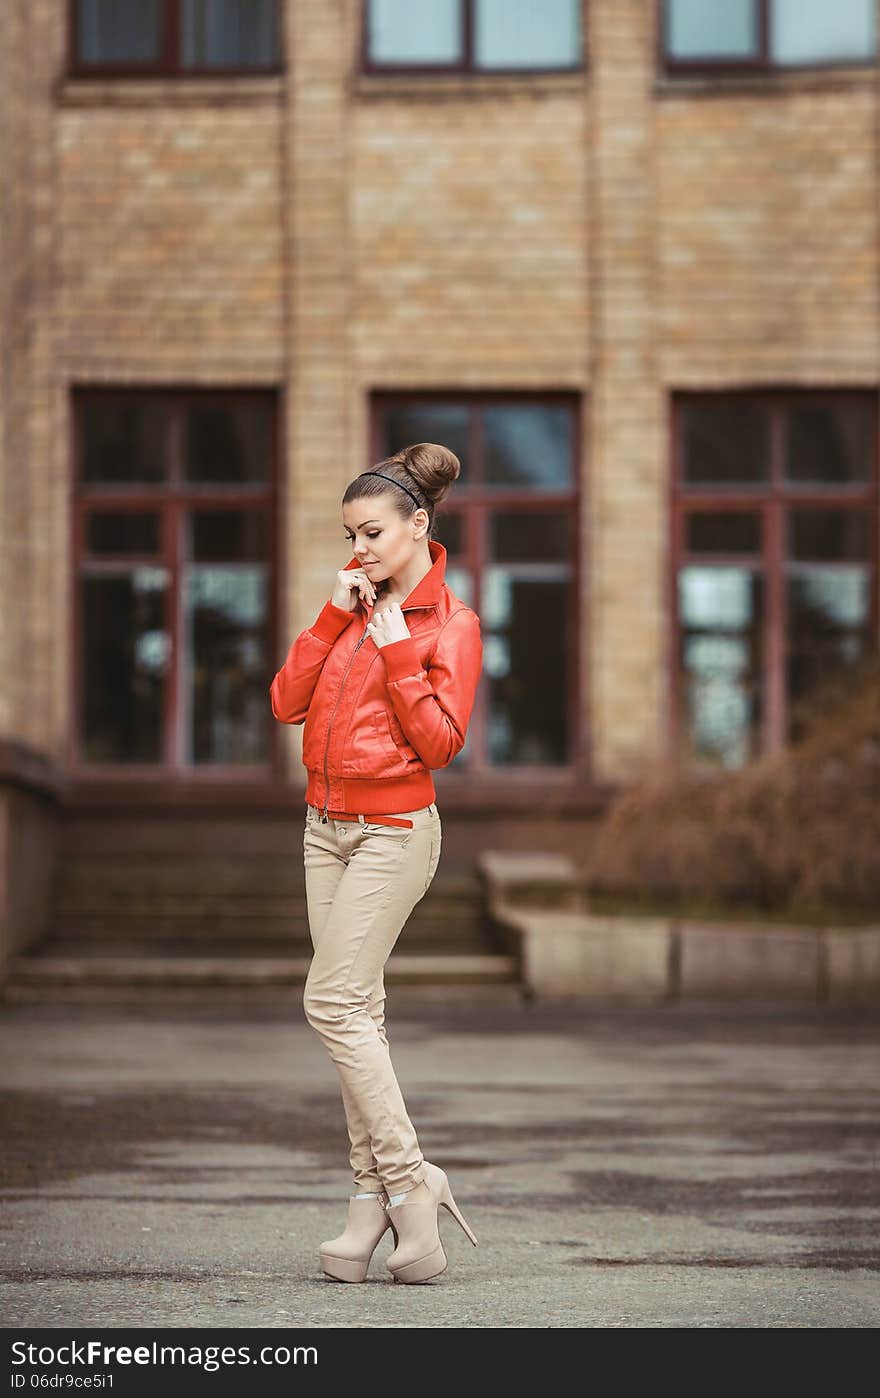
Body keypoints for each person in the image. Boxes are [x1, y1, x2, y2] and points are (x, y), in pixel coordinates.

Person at [269, 442, 483, 1285]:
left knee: (331, 1001)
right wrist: (330, 618)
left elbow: (440, 743)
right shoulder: (349, 609)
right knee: (360, 1014)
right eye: (350, 536)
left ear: (418, 526)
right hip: (325, 829)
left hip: (395, 833)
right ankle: (369, 1214)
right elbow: (287, 702)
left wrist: (397, 650)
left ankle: (410, 1181)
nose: (359, 550)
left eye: (372, 534)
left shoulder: (451, 625)